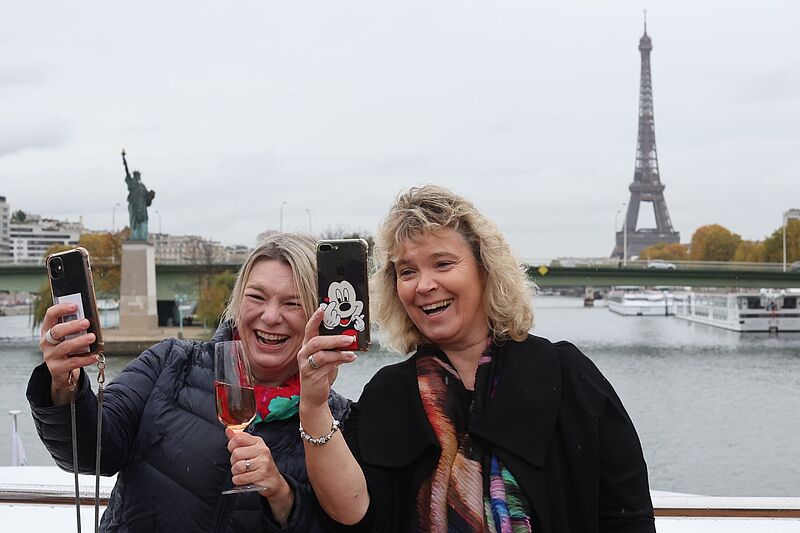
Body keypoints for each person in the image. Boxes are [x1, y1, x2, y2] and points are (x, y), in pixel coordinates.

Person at [297, 185, 655, 533]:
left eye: (442, 263)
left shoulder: (566, 376)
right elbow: (354, 514)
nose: (424, 285)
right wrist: (314, 405)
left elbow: (626, 516)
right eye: (407, 271)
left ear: (485, 268)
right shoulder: (388, 393)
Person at [27, 233, 350, 532]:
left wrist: (282, 494)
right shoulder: (171, 363)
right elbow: (92, 452)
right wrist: (63, 385)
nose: (270, 316)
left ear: (318, 318)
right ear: (237, 303)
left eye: (293, 303)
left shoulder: (337, 422)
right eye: (256, 297)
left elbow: (339, 522)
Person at [122, 149, 155, 241]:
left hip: (142, 208)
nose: (138, 177)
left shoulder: (143, 187)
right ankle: (135, 236)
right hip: (134, 206)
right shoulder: (132, 183)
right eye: (136, 175)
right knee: (134, 221)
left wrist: (151, 197)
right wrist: (124, 159)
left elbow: (147, 202)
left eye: (138, 175)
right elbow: (126, 171)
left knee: (143, 221)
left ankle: (142, 236)